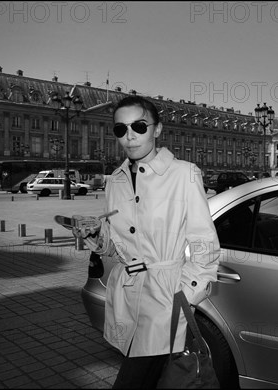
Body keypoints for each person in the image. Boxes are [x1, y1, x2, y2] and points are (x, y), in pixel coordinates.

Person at [71, 95, 220, 388]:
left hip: (166, 300)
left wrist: (184, 296)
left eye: (139, 126)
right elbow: (119, 244)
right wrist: (98, 235)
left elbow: (205, 244)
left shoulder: (184, 174)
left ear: (157, 129)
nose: (129, 136)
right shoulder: (115, 179)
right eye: (120, 129)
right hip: (127, 297)